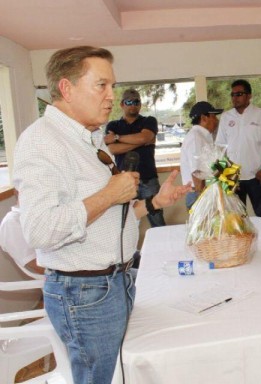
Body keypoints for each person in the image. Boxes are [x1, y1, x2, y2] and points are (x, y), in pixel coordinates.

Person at [12, 45, 191, 384]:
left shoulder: (91, 137)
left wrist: (153, 204)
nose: (113, 96)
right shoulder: (42, 142)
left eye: (113, 86)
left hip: (113, 283)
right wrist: (108, 194)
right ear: (66, 88)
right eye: (102, 85)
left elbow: (108, 219)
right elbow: (39, 230)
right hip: (84, 292)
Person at [215, 79, 261, 229]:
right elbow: (220, 147)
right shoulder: (226, 117)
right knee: (236, 216)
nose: (235, 98)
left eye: (239, 94)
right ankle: (242, 249)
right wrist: (225, 175)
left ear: (249, 96)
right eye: (232, 94)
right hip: (233, 177)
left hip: (256, 176)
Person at [105, 88, 165, 227]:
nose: (133, 104)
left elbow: (145, 136)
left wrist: (118, 138)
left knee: (157, 219)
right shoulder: (113, 125)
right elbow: (111, 149)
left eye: (136, 101)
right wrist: (141, 142)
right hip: (124, 180)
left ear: (140, 104)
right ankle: (130, 250)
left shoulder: (149, 120)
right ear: (122, 104)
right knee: (126, 222)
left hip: (148, 179)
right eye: (129, 101)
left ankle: (163, 249)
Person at [180, 101, 223, 209]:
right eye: (214, 117)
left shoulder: (202, 136)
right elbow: (197, 172)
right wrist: (203, 199)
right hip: (199, 194)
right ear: (204, 118)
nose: (217, 120)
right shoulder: (196, 138)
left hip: (205, 192)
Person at [0, 190, 45, 276]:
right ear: (17, 192)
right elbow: (37, 265)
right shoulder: (11, 222)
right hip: (65, 276)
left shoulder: (44, 212)